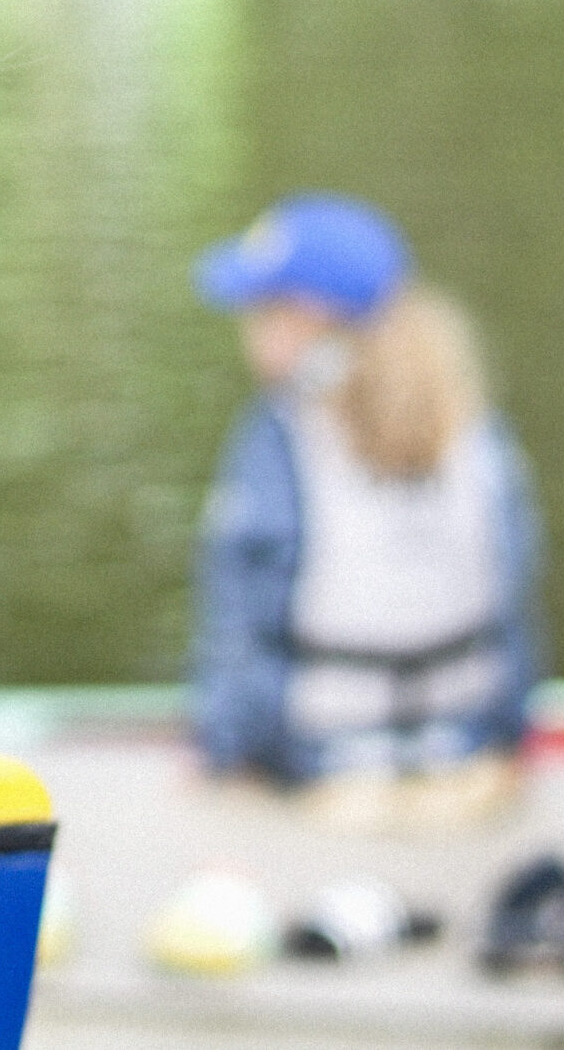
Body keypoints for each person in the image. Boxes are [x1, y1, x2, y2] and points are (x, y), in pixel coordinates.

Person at [188, 194, 542, 831]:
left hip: (325, 772)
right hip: (467, 764)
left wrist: (225, 759)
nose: (250, 331)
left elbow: (242, 634)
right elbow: (515, 614)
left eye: (262, 311)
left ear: (306, 322)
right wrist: (509, 745)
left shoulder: (276, 437)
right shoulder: (480, 431)